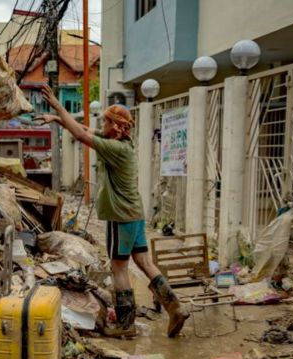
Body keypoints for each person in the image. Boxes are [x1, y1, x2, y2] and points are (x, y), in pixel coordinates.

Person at [37, 85, 188, 338]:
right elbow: (85, 130)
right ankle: (175, 307)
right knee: (145, 262)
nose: (102, 125)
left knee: (119, 268)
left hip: (121, 217)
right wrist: (59, 120)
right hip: (135, 215)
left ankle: (126, 325)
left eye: (105, 121)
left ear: (115, 126)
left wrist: (57, 106)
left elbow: (83, 137)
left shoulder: (114, 149)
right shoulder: (121, 143)